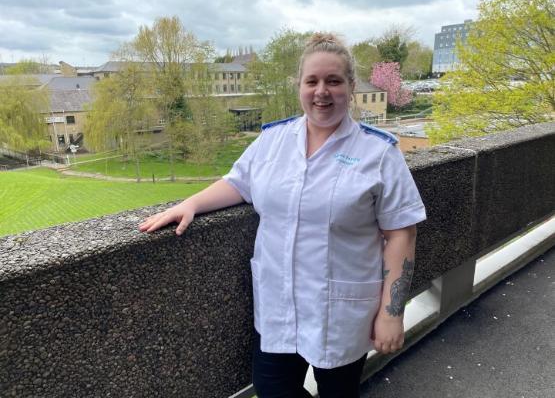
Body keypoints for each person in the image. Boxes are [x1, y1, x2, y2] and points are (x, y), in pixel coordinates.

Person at [139, 33, 426, 398]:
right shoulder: (273, 141)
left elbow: (402, 232)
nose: (322, 91)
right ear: (300, 86)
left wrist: (391, 312)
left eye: (334, 81)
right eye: (312, 81)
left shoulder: (378, 152)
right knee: (271, 389)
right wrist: (191, 204)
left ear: (351, 87)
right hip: (279, 303)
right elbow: (238, 182)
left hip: (340, 309)